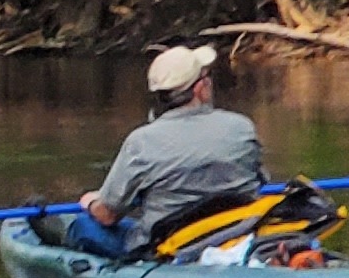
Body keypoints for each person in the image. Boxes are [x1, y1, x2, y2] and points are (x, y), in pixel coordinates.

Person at [63, 43, 264, 255]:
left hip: (168, 246)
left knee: (83, 226)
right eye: (207, 78)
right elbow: (258, 182)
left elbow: (107, 215)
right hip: (240, 232)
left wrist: (93, 202)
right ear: (199, 89)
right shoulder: (241, 127)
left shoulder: (141, 142)